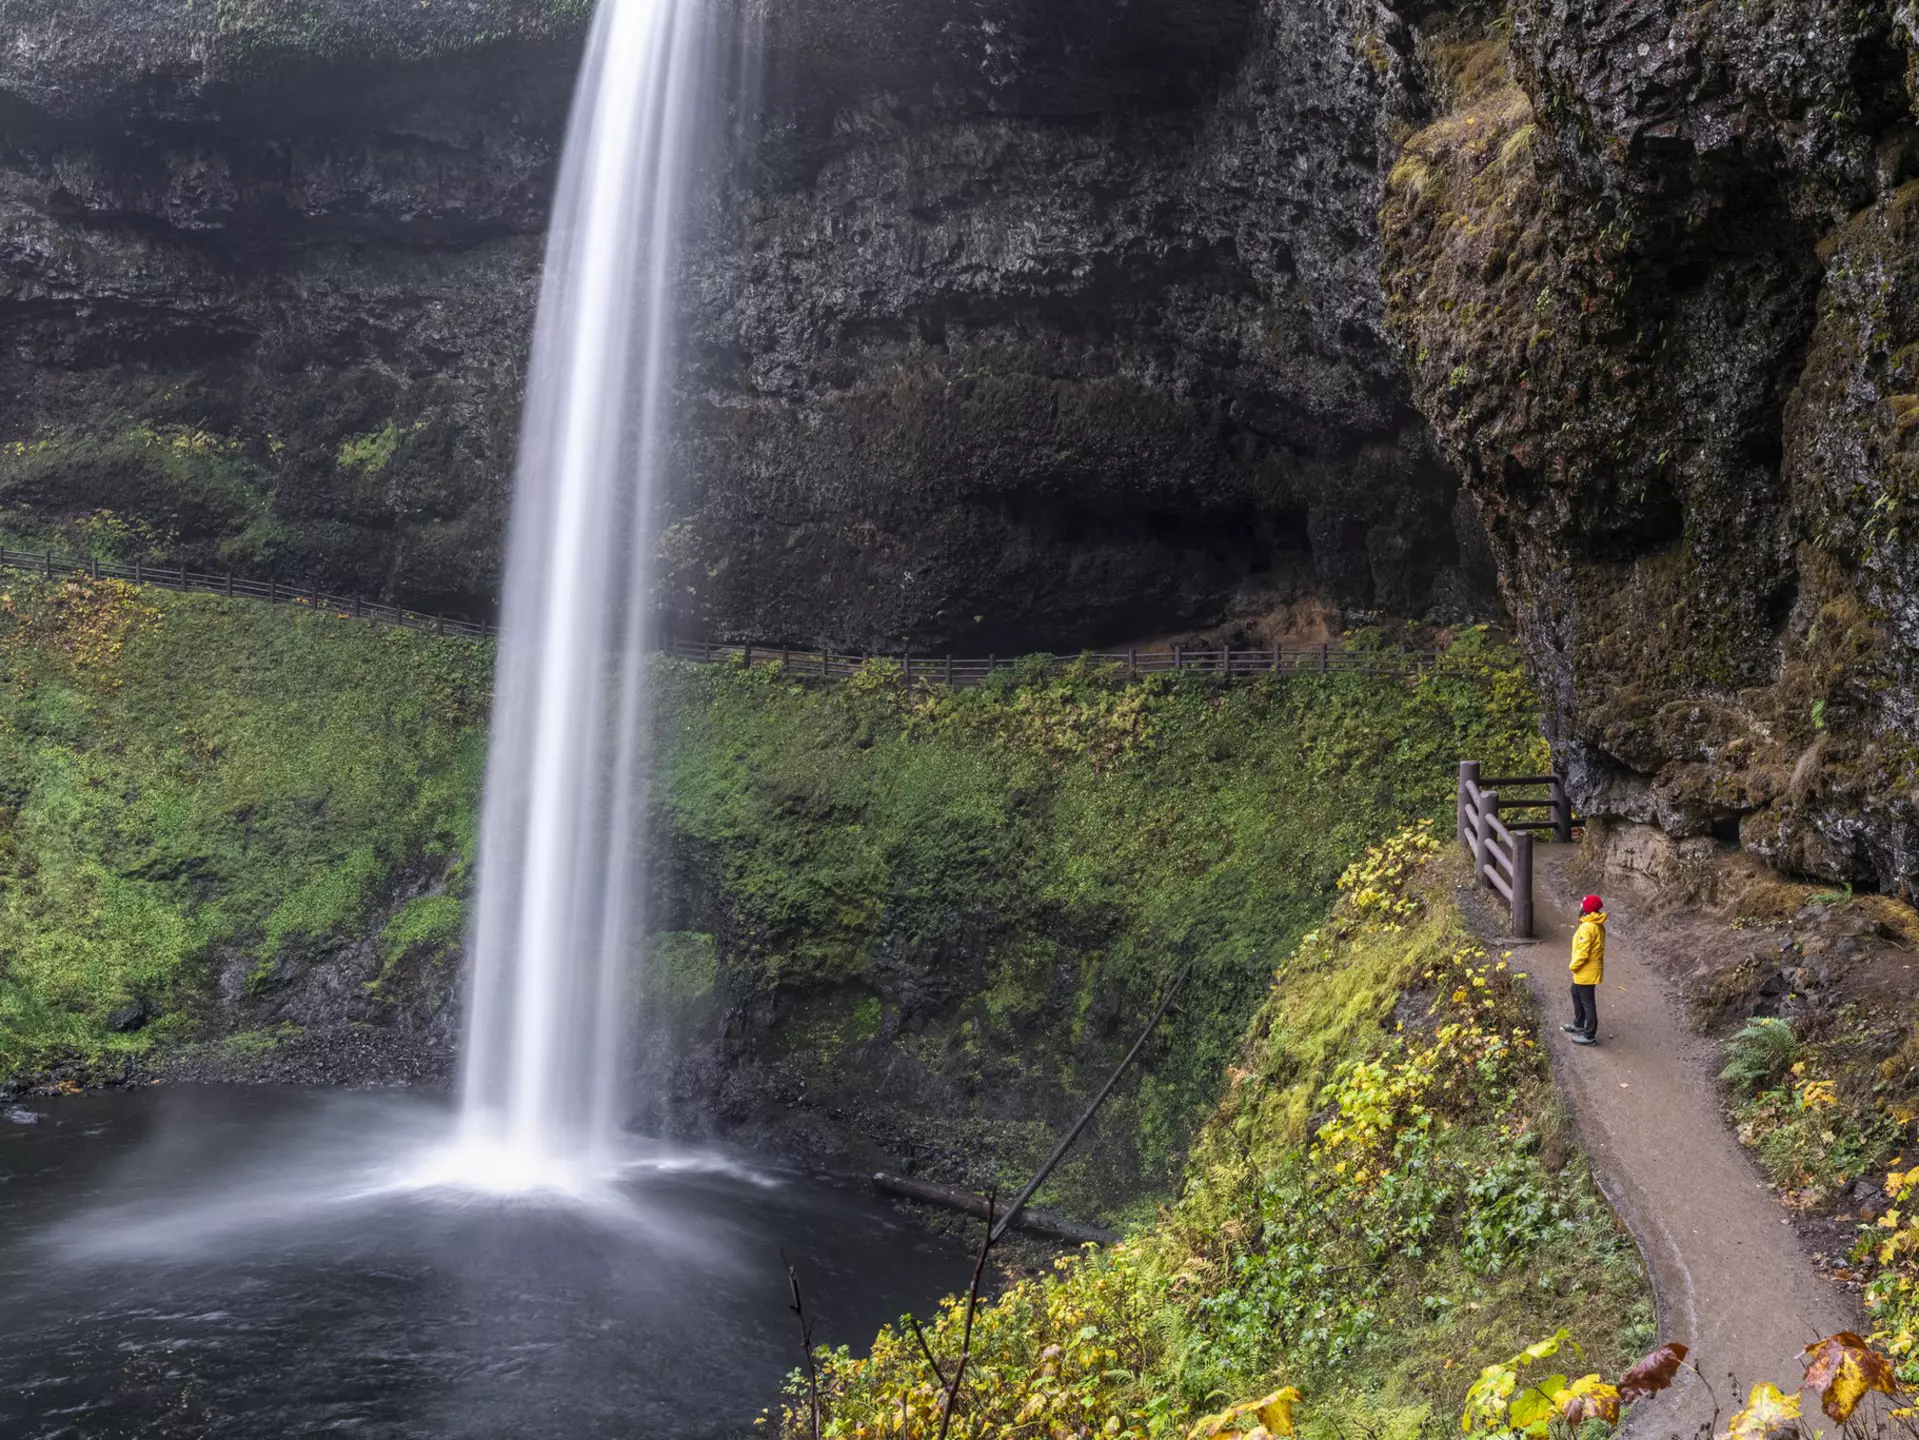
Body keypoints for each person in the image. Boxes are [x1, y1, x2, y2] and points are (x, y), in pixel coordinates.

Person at [1565, 894, 1606, 1046]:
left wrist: (1573, 966)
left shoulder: (1587, 927)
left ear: (1586, 909)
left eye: (1582, 905)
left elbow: (1583, 952)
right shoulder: (1597, 924)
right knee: (1575, 992)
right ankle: (1579, 1023)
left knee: (1588, 1002)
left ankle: (1589, 1035)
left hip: (1585, 970)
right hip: (1589, 970)